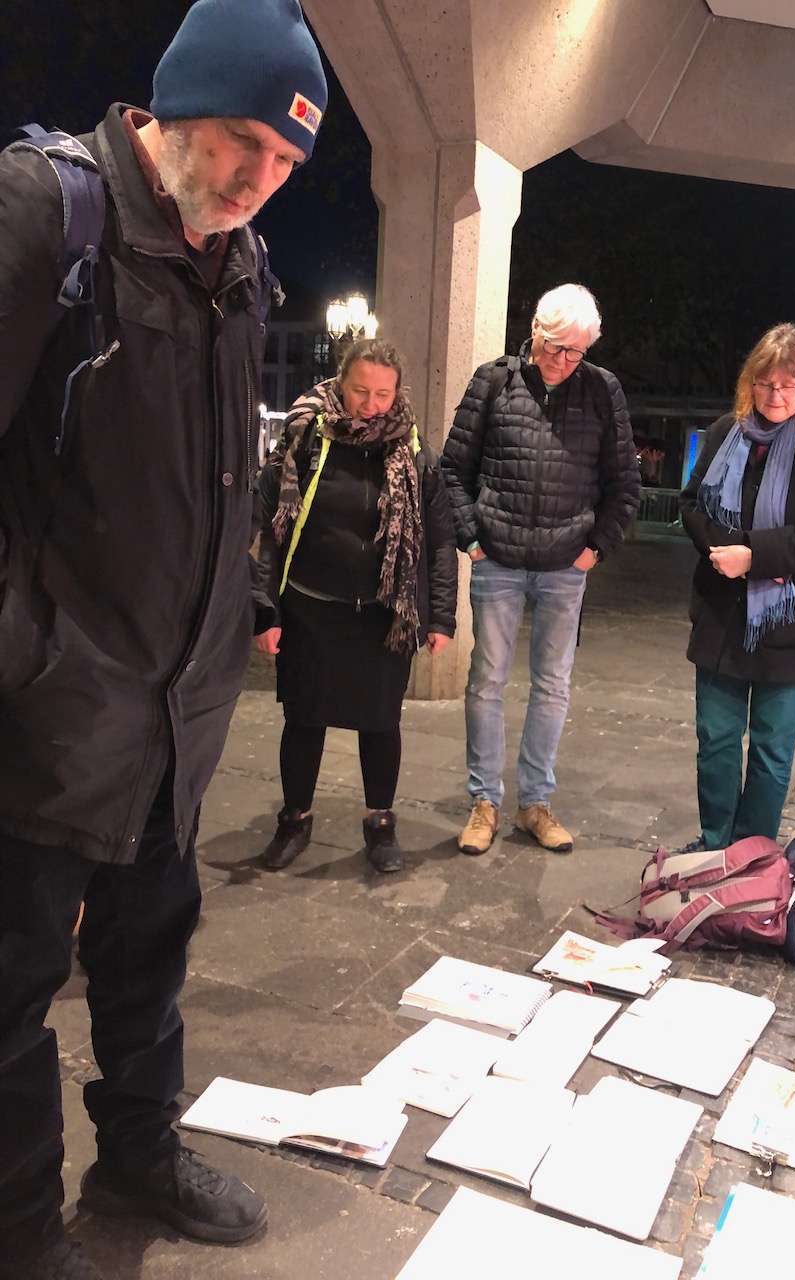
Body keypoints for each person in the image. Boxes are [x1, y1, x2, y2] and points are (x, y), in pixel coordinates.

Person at [0, 2, 328, 1275]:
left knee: (148, 959)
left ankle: (138, 1154)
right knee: (13, 987)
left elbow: (219, 482)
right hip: (48, 709)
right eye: (246, 140)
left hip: (175, 715)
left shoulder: (240, 265)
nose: (257, 180)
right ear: (179, 102)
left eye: (286, 162)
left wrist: (235, 620)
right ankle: (22, 1227)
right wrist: (24, 646)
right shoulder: (48, 210)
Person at [441, 284, 642, 857]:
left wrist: (594, 549)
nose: (563, 360)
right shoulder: (493, 381)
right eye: (554, 346)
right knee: (486, 681)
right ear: (534, 330)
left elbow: (625, 483)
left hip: (565, 565)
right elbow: (453, 469)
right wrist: (471, 538)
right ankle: (484, 801)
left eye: (576, 351)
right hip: (497, 558)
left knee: (553, 685)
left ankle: (535, 803)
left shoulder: (602, 390)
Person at [254, 338, 458, 874]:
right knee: (303, 718)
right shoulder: (306, 435)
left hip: (384, 616)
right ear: (340, 383)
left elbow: (440, 539)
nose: (371, 405)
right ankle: (294, 820)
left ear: (398, 393)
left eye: (383, 394)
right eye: (360, 391)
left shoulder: (415, 450)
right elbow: (269, 528)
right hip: (310, 608)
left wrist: (441, 615)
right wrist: (265, 609)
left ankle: (380, 823)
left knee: (380, 722)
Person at [678, 323, 795, 853]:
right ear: (750, 382)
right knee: (715, 740)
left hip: (789, 626)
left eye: (789, 385)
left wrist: (756, 558)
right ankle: (716, 847)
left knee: (771, 751)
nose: (775, 396)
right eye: (765, 383)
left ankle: (751, 855)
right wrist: (727, 554)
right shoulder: (725, 433)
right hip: (721, 618)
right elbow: (691, 504)